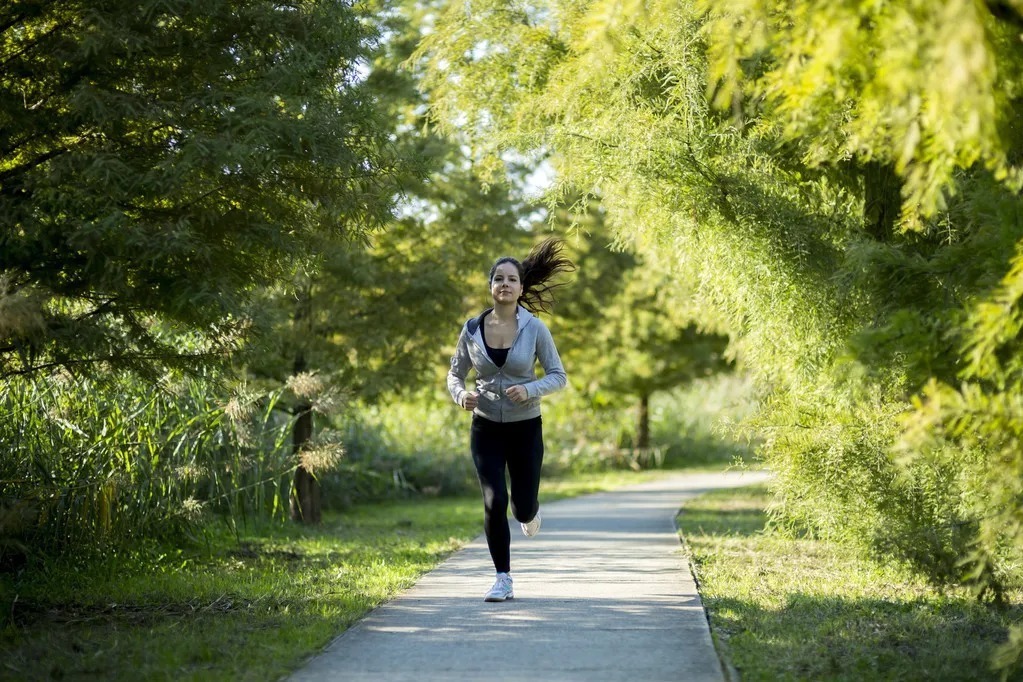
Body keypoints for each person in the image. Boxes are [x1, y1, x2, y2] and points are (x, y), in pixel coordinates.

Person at [447, 238, 573, 602]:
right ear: (490, 286)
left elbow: (558, 375)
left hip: (525, 427)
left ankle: (530, 512)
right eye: (498, 278)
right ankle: (502, 577)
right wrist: (461, 395)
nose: (504, 284)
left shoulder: (535, 329)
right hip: (485, 426)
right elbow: (454, 375)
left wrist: (530, 390)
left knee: (522, 505)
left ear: (520, 288)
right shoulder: (471, 329)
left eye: (511, 279)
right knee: (493, 499)